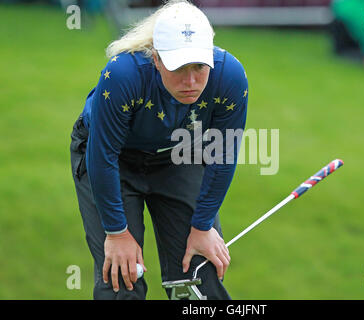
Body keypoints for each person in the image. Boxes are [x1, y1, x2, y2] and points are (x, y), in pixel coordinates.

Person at [70, 0, 248, 300]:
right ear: (156, 59)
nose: (191, 81)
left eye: (199, 67)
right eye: (179, 67)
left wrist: (202, 226)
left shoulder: (230, 76)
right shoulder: (123, 74)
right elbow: (103, 156)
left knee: (199, 276)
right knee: (122, 279)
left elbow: (222, 155)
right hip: (114, 160)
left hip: (180, 154)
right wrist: (116, 232)